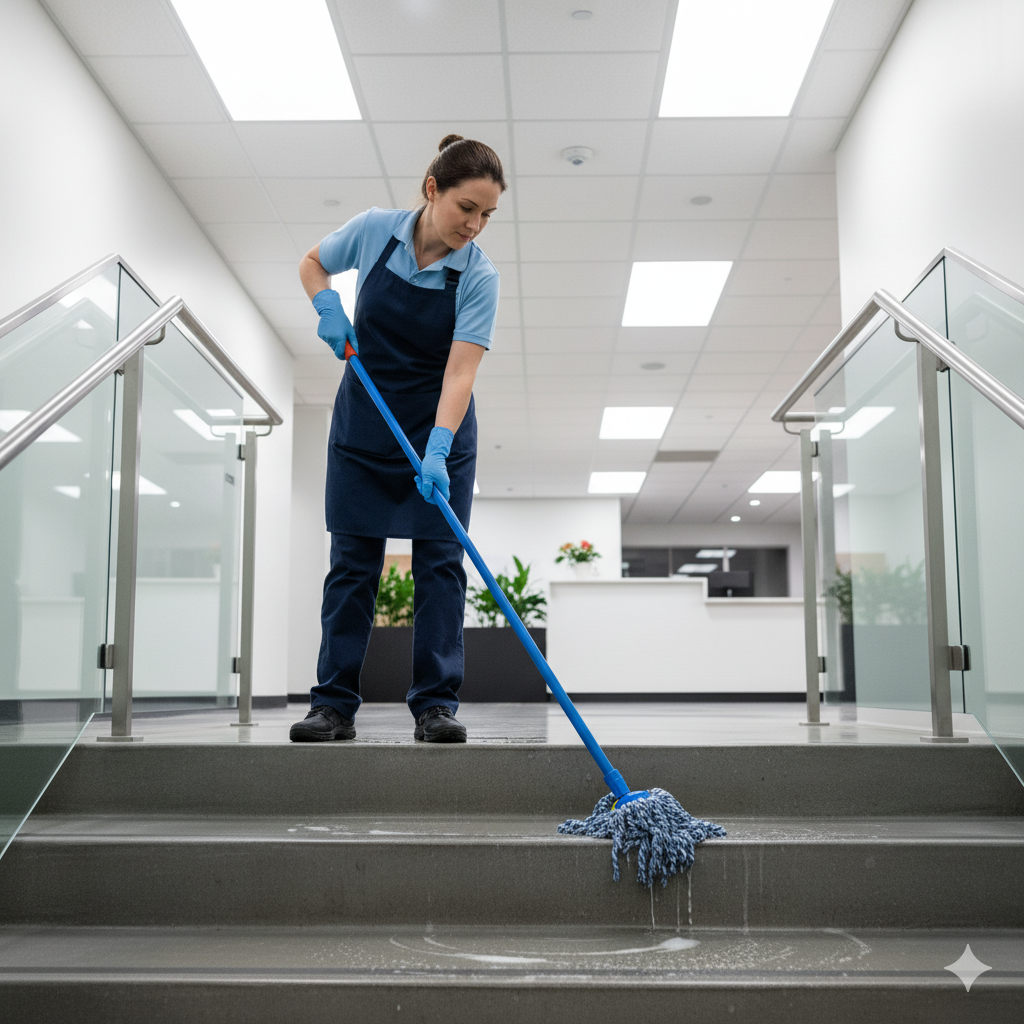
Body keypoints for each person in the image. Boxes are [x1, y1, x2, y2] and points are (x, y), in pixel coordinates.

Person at [290, 135, 505, 744]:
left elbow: (460, 371)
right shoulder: (375, 231)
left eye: (487, 214)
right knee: (353, 565)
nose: (475, 224)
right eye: (467, 207)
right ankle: (333, 705)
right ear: (432, 189)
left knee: (440, 566)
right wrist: (328, 304)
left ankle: (435, 704)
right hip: (364, 425)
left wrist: (438, 447)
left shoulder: (479, 276)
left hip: (439, 430)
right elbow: (312, 262)